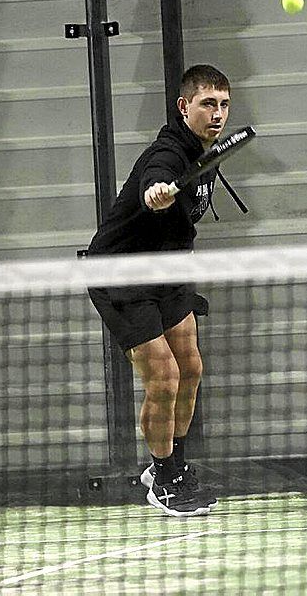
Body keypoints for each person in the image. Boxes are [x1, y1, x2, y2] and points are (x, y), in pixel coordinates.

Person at [86, 64, 240, 516]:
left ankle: (172, 467)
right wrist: (155, 192)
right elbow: (156, 177)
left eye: (223, 104)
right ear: (184, 107)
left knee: (190, 368)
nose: (217, 114)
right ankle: (163, 480)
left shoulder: (204, 153)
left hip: (168, 270)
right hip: (122, 274)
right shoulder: (169, 153)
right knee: (164, 376)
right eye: (207, 104)